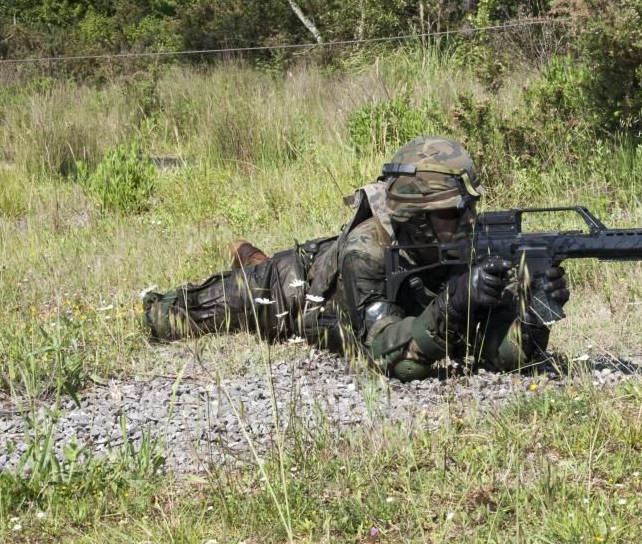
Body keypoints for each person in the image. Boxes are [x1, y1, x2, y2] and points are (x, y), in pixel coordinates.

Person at [142, 137, 570, 380]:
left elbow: (503, 355)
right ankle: (246, 265)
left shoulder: (466, 243)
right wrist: (453, 303)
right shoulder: (366, 251)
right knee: (179, 316)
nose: (468, 219)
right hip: (296, 293)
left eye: (469, 206)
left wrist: (532, 317)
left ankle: (251, 256)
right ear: (416, 219)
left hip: (353, 292)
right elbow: (392, 360)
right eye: (452, 212)